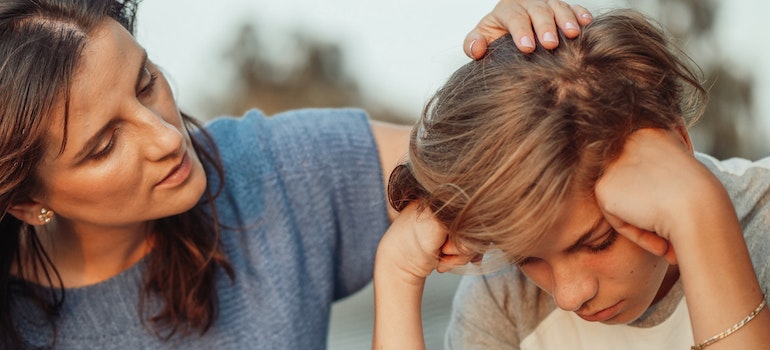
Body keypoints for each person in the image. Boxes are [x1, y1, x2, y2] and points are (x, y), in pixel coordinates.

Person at [0, 0, 594, 348]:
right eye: (104, 145)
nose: (166, 136)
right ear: (27, 201)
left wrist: (525, 75)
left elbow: (503, 160)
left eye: (146, 82)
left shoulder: (275, 168)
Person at [374, 8, 770, 350]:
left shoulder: (763, 226)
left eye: (599, 242)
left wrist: (700, 214)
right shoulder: (505, 297)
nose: (569, 294)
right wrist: (397, 276)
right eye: (527, 257)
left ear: (678, 146)